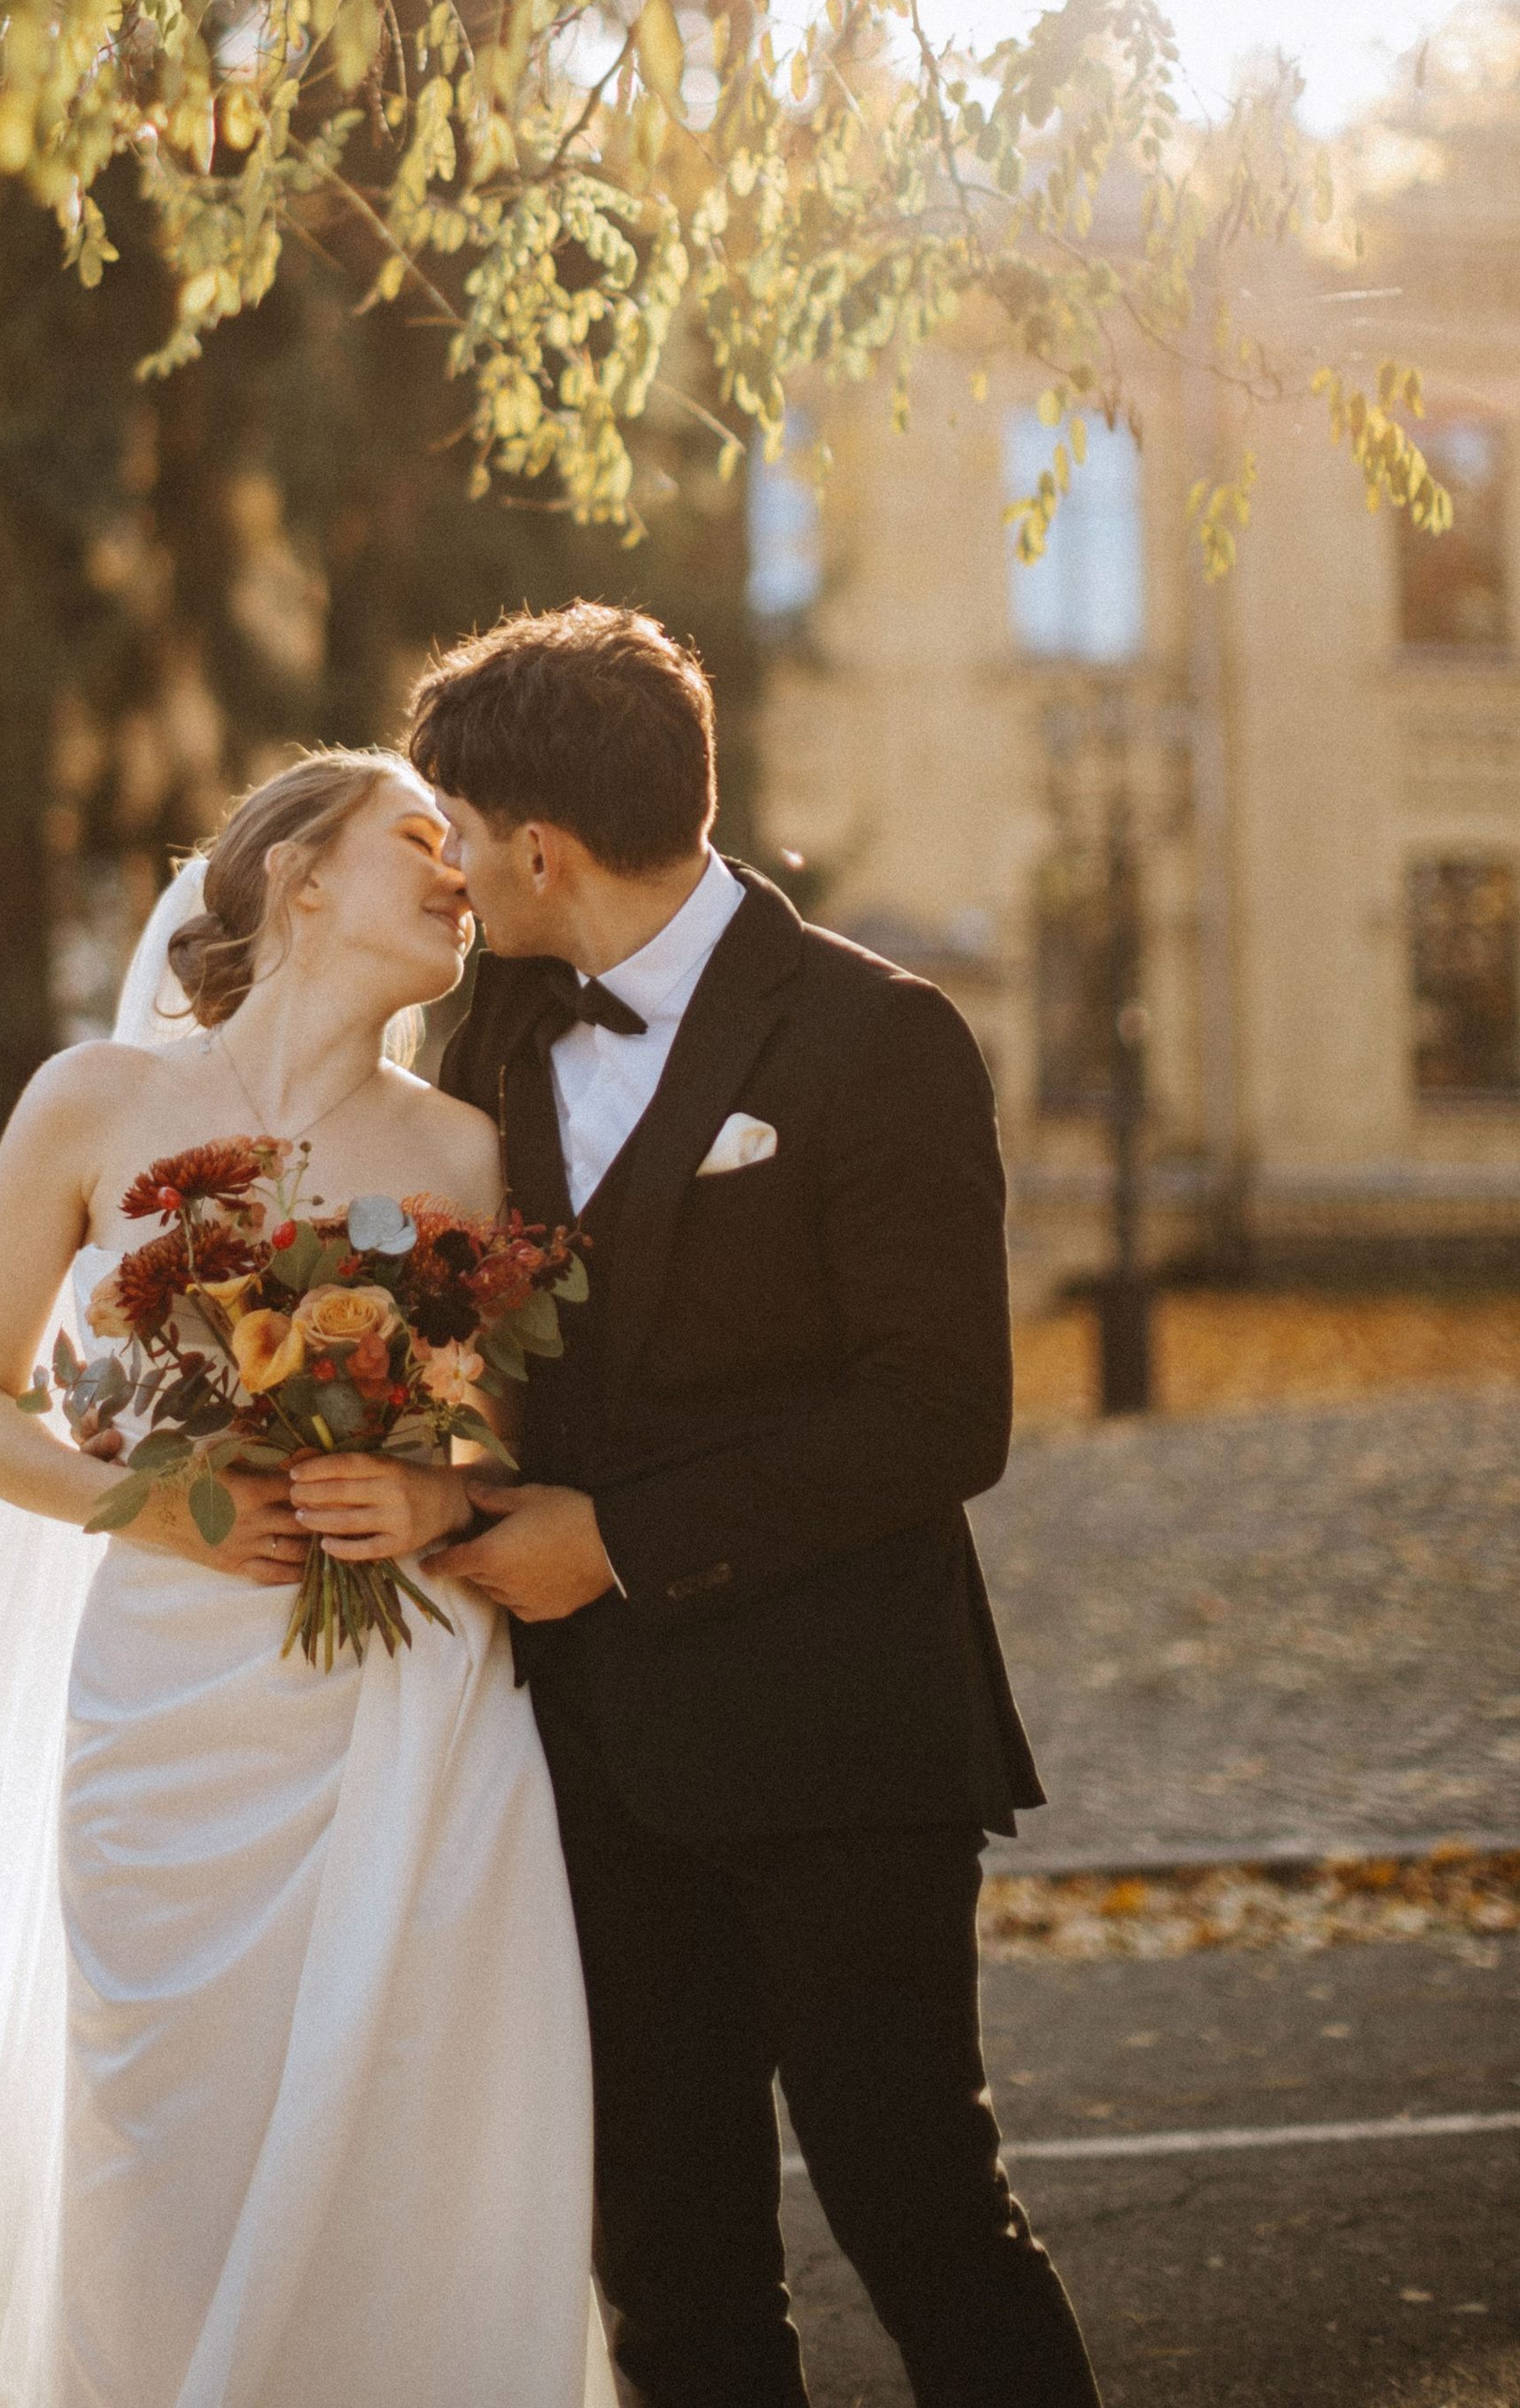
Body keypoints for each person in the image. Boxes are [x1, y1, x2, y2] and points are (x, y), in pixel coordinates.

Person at [0, 750, 611, 2408]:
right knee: (159, 2149)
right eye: (420, 842)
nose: (460, 875)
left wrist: (424, 1499)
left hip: (402, 1708)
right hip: (165, 1711)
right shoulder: (93, 1104)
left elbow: (498, 1438)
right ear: (299, 878)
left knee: (404, 2139)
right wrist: (141, 1508)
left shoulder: (461, 1150)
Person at [410, 604, 1102, 2408]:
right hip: (586, 1756)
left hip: (841, 1744)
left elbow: (939, 1414)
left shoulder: (879, 1036)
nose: (449, 869)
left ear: (537, 843)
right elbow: (483, 1343)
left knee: (919, 2216)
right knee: (666, 2259)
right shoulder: (485, 1041)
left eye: (457, 833)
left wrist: (614, 1543)